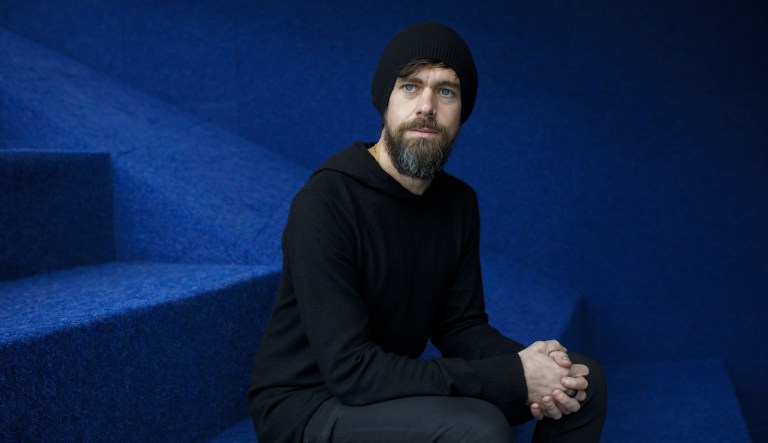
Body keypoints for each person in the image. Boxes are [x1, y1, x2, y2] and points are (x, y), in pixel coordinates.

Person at [247, 22, 607, 442]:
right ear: (386, 101)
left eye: (446, 91)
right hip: (307, 405)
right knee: (478, 430)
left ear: (461, 113)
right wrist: (513, 375)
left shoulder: (458, 203)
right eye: (410, 87)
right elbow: (352, 371)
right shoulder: (326, 202)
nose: (427, 106)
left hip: (385, 390)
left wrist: (541, 366)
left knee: (583, 381)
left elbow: (460, 327)